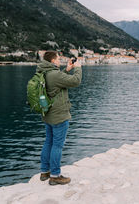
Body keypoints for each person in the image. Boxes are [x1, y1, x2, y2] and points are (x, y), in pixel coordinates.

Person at [36, 51, 82, 185]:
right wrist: (78, 68)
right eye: (57, 59)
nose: (59, 60)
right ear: (52, 61)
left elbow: (57, 82)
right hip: (59, 115)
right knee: (57, 145)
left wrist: (67, 70)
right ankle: (55, 175)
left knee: (48, 142)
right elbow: (75, 81)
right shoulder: (54, 74)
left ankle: (45, 172)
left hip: (48, 113)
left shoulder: (43, 72)